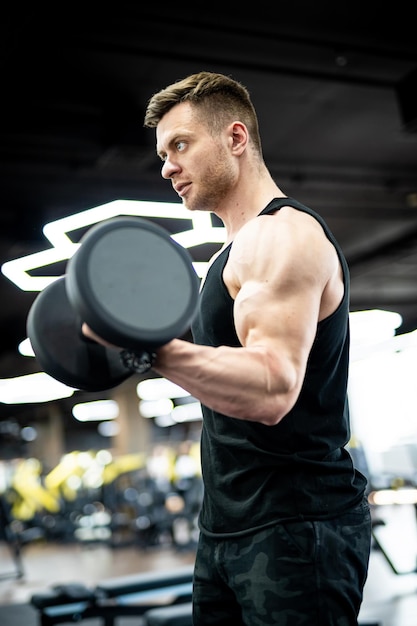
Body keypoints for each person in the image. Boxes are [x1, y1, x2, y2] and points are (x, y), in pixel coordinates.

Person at [85, 71, 372, 625]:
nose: (167, 165)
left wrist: (148, 348)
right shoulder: (224, 256)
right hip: (225, 527)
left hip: (296, 526)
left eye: (180, 145)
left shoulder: (284, 235)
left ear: (235, 139)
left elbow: (272, 388)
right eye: (162, 152)